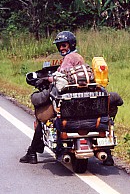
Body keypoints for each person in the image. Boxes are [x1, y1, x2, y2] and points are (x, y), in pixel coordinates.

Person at [19, 31, 117, 166]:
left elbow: (60, 76)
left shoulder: (70, 58)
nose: (61, 48)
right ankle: (108, 154)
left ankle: (33, 152)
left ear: (71, 44)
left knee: (44, 113)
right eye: (59, 46)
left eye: (64, 45)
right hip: (82, 98)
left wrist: (46, 79)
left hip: (70, 98)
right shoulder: (78, 57)